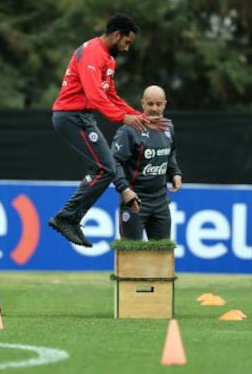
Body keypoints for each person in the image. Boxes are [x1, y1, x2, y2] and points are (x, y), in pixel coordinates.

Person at [49, 13, 170, 248]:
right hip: (70, 117)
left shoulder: (108, 59)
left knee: (104, 168)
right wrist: (123, 118)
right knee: (106, 168)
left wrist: (139, 116)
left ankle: (69, 217)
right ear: (117, 35)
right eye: (126, 42)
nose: (126, 48)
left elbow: (110, 95)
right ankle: (67, 217)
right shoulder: (92, 53)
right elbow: (95, 96)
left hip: (82, 117)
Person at [111, 85, 182, 241]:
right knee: (131, 255)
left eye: (158, 104)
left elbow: (171, 153)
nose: (154, 108)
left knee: (161, 256)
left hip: (161, 201)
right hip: (135, 201)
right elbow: (113, 162)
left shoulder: (168, 127)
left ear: (165, 104)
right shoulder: (129, 130)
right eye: (150, 104)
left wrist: (175, 173)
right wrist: (124, 189)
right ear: (143, 104)